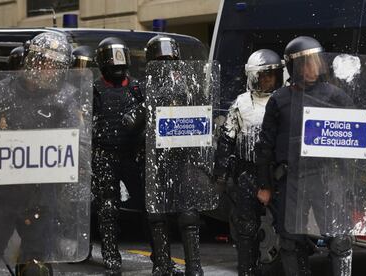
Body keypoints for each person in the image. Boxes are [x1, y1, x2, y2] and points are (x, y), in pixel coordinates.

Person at [0, 32, 81, 276]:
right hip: (1, 192)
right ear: (32, 60)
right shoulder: (0, 93)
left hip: (41, 195)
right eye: (45, 62)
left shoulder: (65, 99)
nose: (49, 70)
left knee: (36, 266)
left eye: (56, 65)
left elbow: (75, 146)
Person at [255, 36, 354, 276]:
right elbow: (265, 146)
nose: (312, 68)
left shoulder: (336, 97)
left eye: (316, 62)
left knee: (339, 240)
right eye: (305, 64)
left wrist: (351, 182)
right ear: (293, 67)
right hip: (292, 180)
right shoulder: (279, 100)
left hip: (325, 177)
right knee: (290, 241)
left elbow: (351, 143)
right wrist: (264, 185)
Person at [214, 49, 284, 276]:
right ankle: (247, 270)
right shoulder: (241, 103)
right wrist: (221, 172)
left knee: (285, 226)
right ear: (253, 77)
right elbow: (227, 138)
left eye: (271, 76)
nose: (267, 80)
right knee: (246, 227)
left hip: (277, 173)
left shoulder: (283, 100)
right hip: (247, 172)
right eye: (263, 76)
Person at [145, 34, 207, 276]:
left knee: (188, 214)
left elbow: (203, 116)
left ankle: (195, 266)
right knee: (156, 214)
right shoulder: (145, 87)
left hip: (181, 157)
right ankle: (162, 264)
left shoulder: (190, 85)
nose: (166, 63)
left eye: (170, 58)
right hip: (155, 159)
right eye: (161, 60)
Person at [92, 36, 145, 274]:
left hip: (131, 155)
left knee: (148, 205)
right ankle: (111, 256)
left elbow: (151, 117)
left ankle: (160, 257)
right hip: (104, 155)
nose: (117, 67)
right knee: (108, 208)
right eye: (112, 63)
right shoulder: (95, 89)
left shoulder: (136, 88)